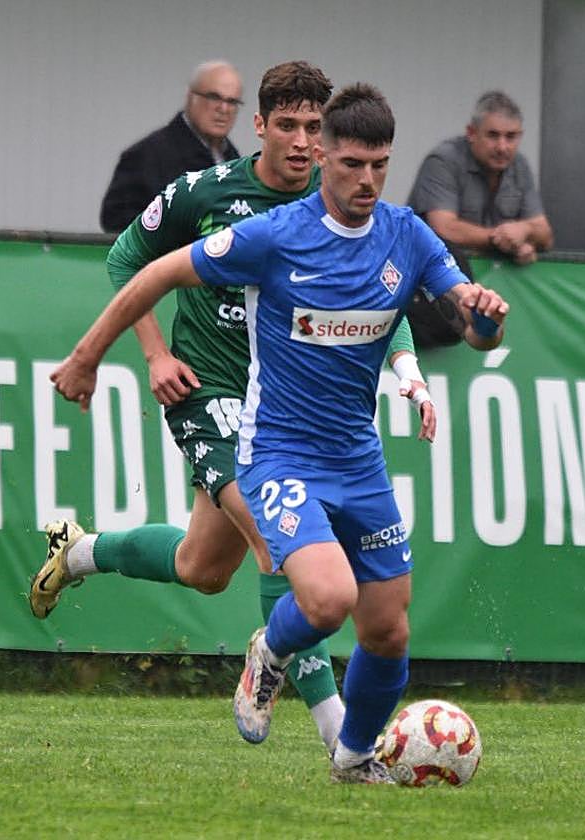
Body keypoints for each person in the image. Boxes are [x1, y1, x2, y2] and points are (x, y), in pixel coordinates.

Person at [48, 83, 509, 783]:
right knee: (327, 598)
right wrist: (91, 356)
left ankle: (353, 757)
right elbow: (152, 271)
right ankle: (271, 656)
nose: (366, 179)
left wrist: (485, 315)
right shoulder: (272, 234)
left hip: (358, 459)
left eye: (379, 164)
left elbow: (473, 332)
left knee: (386, 628)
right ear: (324, 156)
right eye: (352, 163)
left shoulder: (408, 234)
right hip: (276, 451)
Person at [407, 90, 553, 265]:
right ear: (471, 133)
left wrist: (525, 231)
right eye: (493, 135)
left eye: (511, 137)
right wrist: (505, 241)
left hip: (482, 281)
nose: (502, 147)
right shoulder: (443, 160)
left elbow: (546, 235)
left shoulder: (519, 165)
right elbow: (444, 229)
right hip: (424, 272)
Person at [98, 61, 244, 234]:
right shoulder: (146, 156)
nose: (224, 108)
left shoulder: (233, 159)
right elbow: (117, 222)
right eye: (214, 97)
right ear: (190, 97)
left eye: (232, 101)